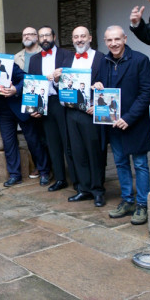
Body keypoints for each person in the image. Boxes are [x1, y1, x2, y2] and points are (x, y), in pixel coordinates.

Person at [94, 26, 150, 225]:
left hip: (135, 123)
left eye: (117, 39)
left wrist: (128, 117)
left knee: (140, 165)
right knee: (120, 163)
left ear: (125, 38)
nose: (114, 43)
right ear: (105, 41)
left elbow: (147, 93)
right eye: (109, 40)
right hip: (113, 124)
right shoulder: (104, 62)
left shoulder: (140, 60)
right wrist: (97, 85)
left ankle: (142, 205)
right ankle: (128, 201)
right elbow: (98, 84)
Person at [0, 48, 46, 187]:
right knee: (9, 144)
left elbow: (26, 78)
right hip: (3, 113)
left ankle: (43, 171)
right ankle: (15, 175)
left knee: (33, 140)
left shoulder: (9, 66)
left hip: (21, 107)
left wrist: (15, 89)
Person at [64, 26, 107, 208]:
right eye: (76, 37)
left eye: (83, 36)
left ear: (90, 38)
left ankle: (98, 191)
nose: (79, 39)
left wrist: (98, 103)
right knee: (78, 152)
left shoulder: (101, 58)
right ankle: (83, 189)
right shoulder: (67, 59)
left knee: (94, 152)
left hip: (90, 113)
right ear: (72, 40)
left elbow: (108, 85)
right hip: (71, 112)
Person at [27, 26, 74, 189]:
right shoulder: (34, 60)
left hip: (63, 103)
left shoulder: (67, 55)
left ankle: (76, 180)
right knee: (52, 143)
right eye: (41, 36)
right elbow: (32, 85)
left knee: (69, 142)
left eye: (47, 35)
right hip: (46, 104)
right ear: (38, 39)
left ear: (54, 36)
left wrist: (56, 80)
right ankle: (60, 179)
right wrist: (36, 107)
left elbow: (72, 81)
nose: (44, 38)